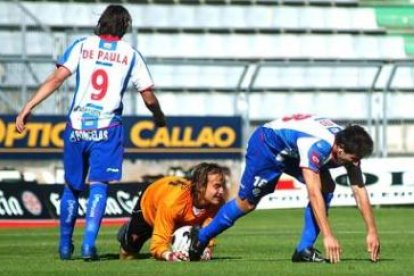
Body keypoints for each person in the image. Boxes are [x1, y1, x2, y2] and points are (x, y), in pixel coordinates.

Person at [15, 5, 166, 261]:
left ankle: (65, 247)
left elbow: (56, 79)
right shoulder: (130, 54)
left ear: (102, 23)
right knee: (99, 185)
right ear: (125, 26)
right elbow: (148, 96)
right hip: (107, 128)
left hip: (77, 126)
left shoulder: (82, 45)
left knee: (72, 187)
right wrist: (159, 117)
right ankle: (88, 246)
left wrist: (28, 106)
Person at [189, 114, 381, 264]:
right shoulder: (317, 146)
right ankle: (201, 237)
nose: (357, 163)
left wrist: (372, 231)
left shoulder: (346, 144)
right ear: (339, 149)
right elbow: (313, 193)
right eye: (354, 158)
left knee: (327, 186)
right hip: (267, 146)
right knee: (246, 204)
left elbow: (359, 188)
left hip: (291, 151)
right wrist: (328, 236)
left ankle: (304, 250)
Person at [117, 162, 225, 261]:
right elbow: (157, 245)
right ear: (200, 187)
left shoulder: (217, 202)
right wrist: (170, 256)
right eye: (217, 186)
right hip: (150, 205)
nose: (222, 191)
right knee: (128, 254)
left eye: (222, 186)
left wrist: (207, 250)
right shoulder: (173, 203)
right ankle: (126, 231)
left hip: (177, 216)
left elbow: (209, 231)